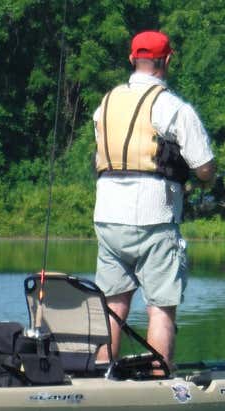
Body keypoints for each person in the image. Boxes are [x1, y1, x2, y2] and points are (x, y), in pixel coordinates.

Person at [92, 30, 216, 370]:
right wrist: (207, 177)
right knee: (161, 306)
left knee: (112, 304)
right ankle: (160, 379)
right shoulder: (173, 107)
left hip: (107, 216)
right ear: (168, 60)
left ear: (132, 59)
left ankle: (103, 377)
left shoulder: (105, 103)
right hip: (155, 218)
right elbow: (204, 167)